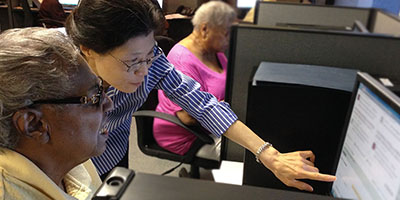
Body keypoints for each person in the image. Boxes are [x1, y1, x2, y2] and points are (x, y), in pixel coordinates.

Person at [66, 0, 336, 191]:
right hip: (66, 162)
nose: (144, 70)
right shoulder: (57, 74)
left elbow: (203, 104)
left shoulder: (152, 61)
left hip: (113, 151)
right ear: (88, 50)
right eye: (134, 61)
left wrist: (269, 156)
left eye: (149, 56)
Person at [0, 27, 113, 199]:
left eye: (101, 89)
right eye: (93, 98)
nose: (109, 104)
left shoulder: (69, 157)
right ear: (34, 125)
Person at [153, 1, 235, 161]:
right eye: (225, 33)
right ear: (205, 29)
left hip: (213, 126)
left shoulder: (214, 51)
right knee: (245, 157)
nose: (228, 39)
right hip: (189, 137)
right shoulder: (182, 60)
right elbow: (188, 118)